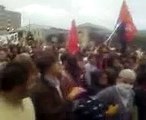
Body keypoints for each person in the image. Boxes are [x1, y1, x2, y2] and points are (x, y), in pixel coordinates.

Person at [31, 50, 84, 120]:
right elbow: (52, 114)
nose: (60, 65)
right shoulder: (41, 89)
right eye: (57, 63)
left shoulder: (56, 82)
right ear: (49, 68)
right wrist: (69, 98)